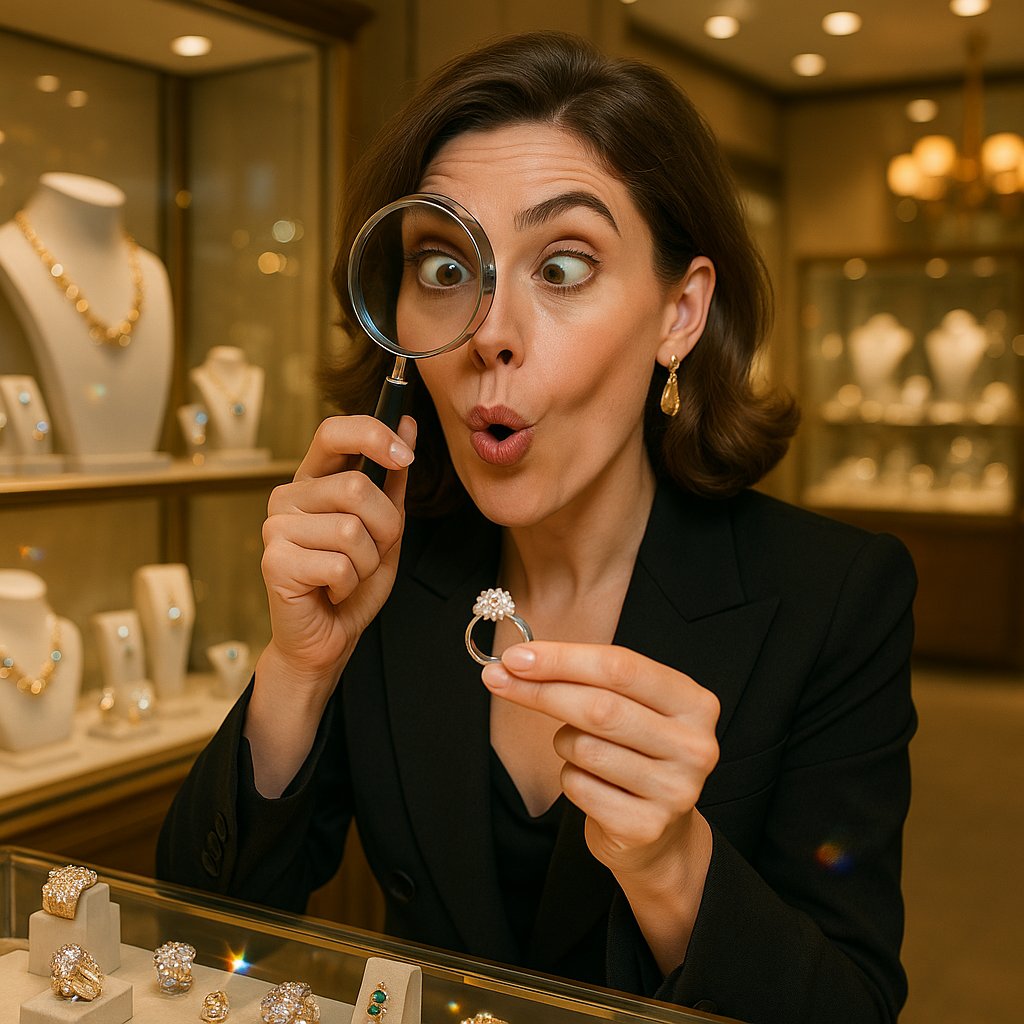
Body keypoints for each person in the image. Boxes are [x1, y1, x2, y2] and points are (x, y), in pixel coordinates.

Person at [158, 31, 917, 1024]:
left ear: (678, 314)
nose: (486, 330)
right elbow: (197, 946)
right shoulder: (392, 568)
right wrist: (298, 670)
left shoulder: (831, 596)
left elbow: (849, 1006)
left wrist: (670, 865)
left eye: (561, 266)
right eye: (441, 266)